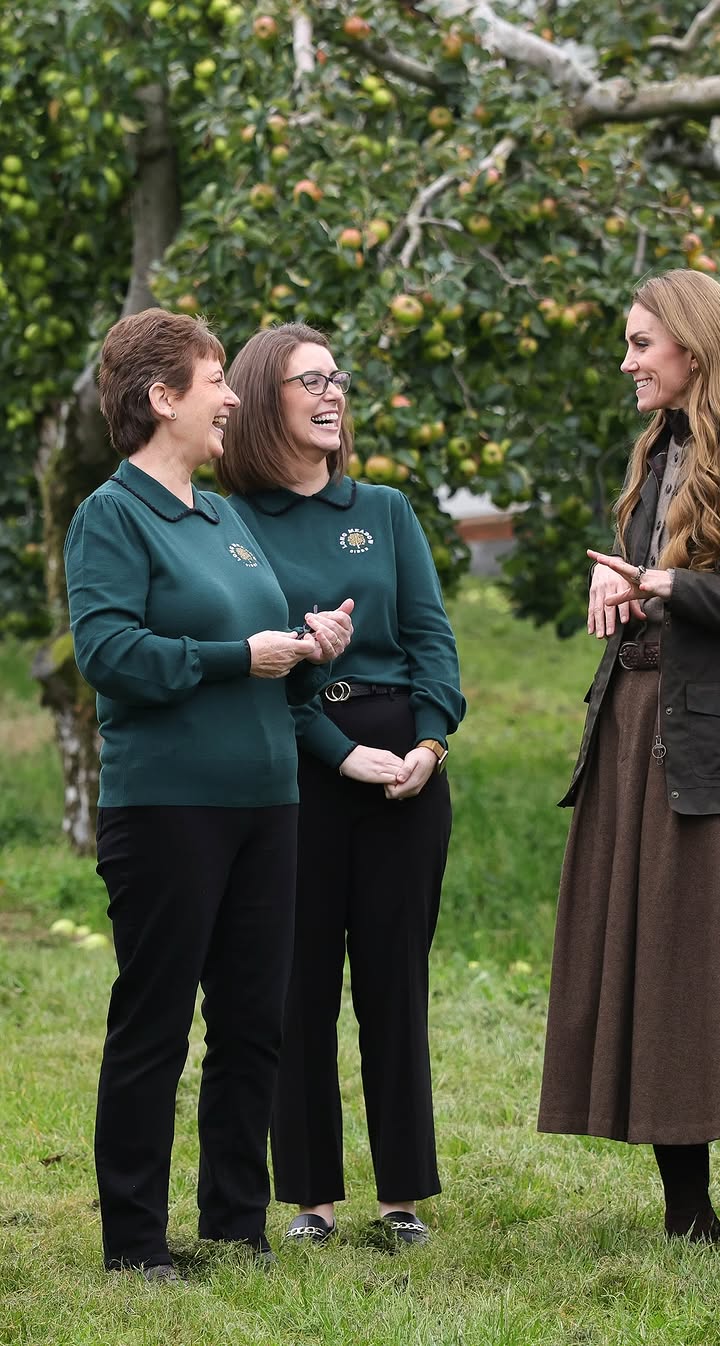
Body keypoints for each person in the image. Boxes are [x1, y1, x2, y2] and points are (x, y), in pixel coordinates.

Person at [65, 309, 353, 1280]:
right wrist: (241, 654)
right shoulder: (112, 515)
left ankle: (236, 1223)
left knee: (251, 1019)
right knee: (155, 1020)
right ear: (161, 398)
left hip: (267, 802)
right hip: (168, 808)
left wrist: (308, 649)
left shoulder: (222, 514)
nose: (233, 395)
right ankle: (136, 1241)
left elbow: (266, 660)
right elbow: (111, 655)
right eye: (216, 378)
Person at [537, 270, 720, 1245]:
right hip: (627, 726)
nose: (628, 361)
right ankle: (684, 1205)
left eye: (641, 342)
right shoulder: (659, 450)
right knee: (645, 953)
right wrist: (614, 599)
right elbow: (652, 590)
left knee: (709, 964)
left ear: (693, 346)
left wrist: (668, 585)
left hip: (706, 741)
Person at [217, 323, 465, 1249]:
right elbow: (263, 669)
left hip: (405, 761)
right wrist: (334, 751)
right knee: (301, 984)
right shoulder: (231, 522)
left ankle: (401, 1196)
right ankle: (311, 1199)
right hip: (299, 768)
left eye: (337, 377)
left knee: (395, 983)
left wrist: (430, 745)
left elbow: (434, 642)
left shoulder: (388, 510)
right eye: (308, 380)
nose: (332, 394)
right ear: (261, 399)